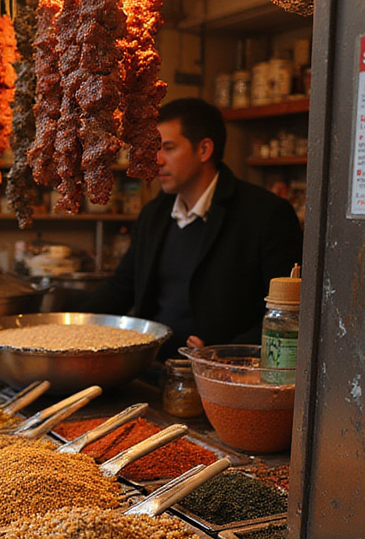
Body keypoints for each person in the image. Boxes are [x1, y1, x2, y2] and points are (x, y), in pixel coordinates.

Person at [80, 97, 304, 358]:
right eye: (155, 148)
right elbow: (123, 286)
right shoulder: (155, 212)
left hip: (223, 373)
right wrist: (75, 324)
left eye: (168, 148)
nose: (157, 159)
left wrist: (225, 353)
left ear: (204, 150)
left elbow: (289, 314)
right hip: (151, 364)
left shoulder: (265, 213)